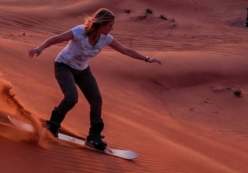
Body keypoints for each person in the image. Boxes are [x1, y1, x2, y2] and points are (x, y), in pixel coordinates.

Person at [28, 8, 162, 150]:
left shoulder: (106, 39)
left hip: (83, 71)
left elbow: (125, 50)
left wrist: (147, 59)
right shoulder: (80, 31)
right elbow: (57, 38)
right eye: (109, 25)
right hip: (64, 66)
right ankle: (53, 124)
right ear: (101, 24)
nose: (111, 28)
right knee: (71, 97)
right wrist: (40, 48)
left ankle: (94, 136)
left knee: (96, 100)